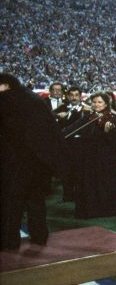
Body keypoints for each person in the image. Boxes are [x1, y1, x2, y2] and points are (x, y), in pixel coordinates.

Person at [0, 73, 67, 250]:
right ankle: (39, 236)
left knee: (11, 201)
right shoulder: (33, 99)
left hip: (19, 160)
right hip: (41, 161)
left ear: (5, 86)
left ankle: (8, 241)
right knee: (36, 199)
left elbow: (10, 134)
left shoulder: (8, 101)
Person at [76, 91, 116, 219]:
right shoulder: (88, 117)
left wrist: (108, 131)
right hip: (89, 155)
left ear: (106, 104)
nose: (96, 105)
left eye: (100, 102)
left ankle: (106, 210)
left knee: (103, 182)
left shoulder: (113, 117)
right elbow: (74, 128)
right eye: (94, 102)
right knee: (89, 182)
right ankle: (90, 209)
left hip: (104, 156)